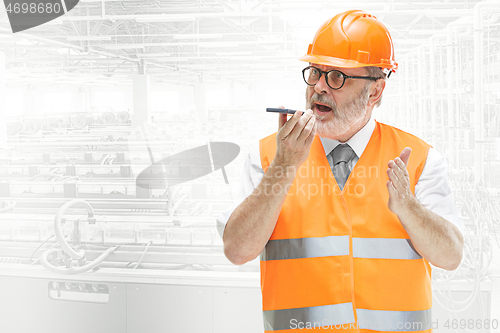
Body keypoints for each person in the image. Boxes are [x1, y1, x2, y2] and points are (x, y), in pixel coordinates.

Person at [216, 9, 464, 333]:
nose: (318, 86)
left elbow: (451, 256)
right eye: (315, 72)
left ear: (375, 91)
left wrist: (409, 207)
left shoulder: (418, 159)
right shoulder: (268, 156)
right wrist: (282, 169)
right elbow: (236, 250)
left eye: (336, 76)